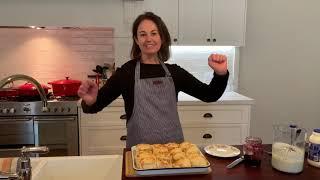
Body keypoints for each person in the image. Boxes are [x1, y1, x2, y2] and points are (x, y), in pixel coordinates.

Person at [78, 12, 229, 148]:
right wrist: (90, 102)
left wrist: (221, 74)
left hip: (174, 153)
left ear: (162, 38)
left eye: (154, 33)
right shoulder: (126, 73)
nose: (148, 39)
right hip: (139, 155)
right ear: (136, 40)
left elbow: (210, 94)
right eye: (143, 34)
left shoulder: (175, 72)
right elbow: (94, 106)